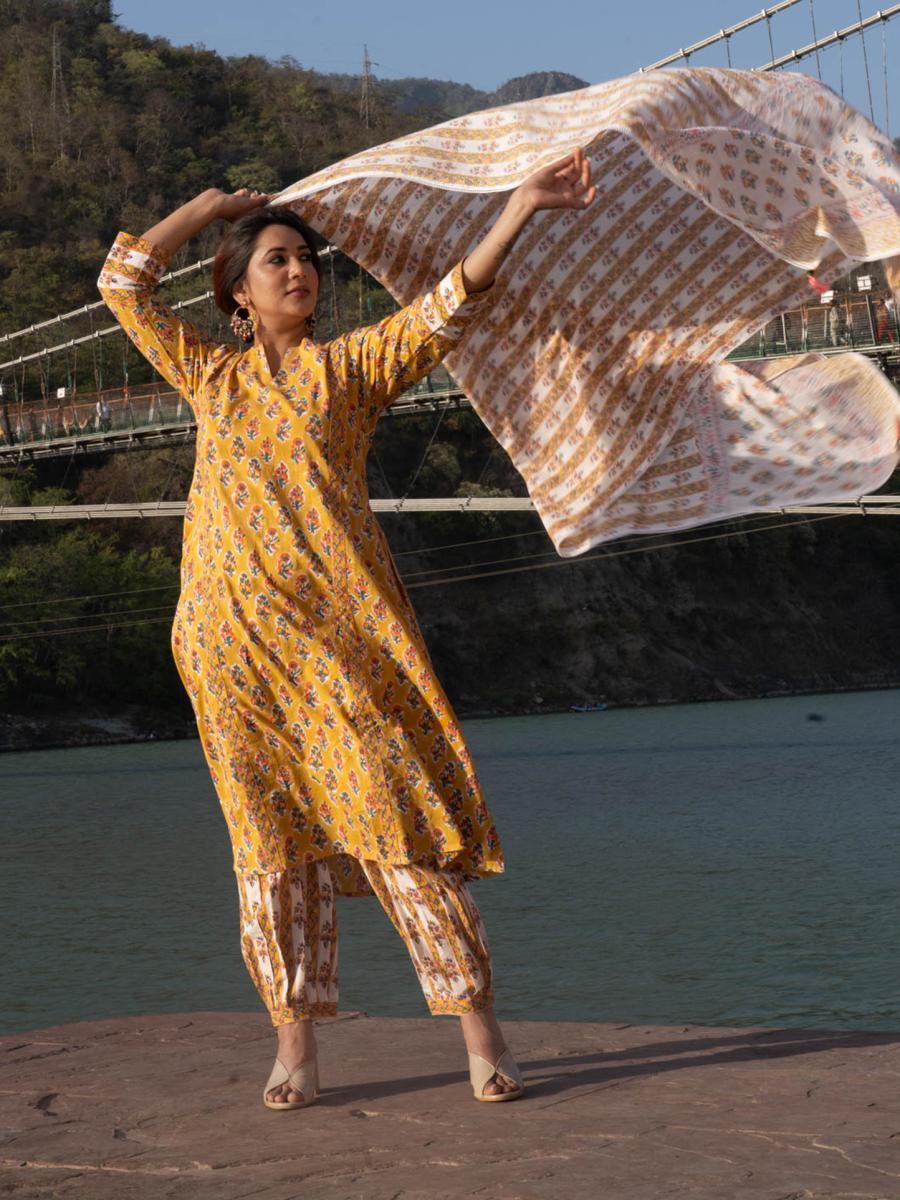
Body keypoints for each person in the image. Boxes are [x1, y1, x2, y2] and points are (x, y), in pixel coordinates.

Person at [97, 149, 596, 1111]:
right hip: (229, 648)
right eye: (275, 260)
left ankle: (480, 1032)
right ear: (237, 296)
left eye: (305, 259)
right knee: (267, 846)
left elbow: (449, 304)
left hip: (338, 646)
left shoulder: (350, 371)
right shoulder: (209, 376)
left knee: (397, 825)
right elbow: (124, 283)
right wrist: (205, 208)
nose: (298, 270)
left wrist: (522, 207)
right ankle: (295, 1048)